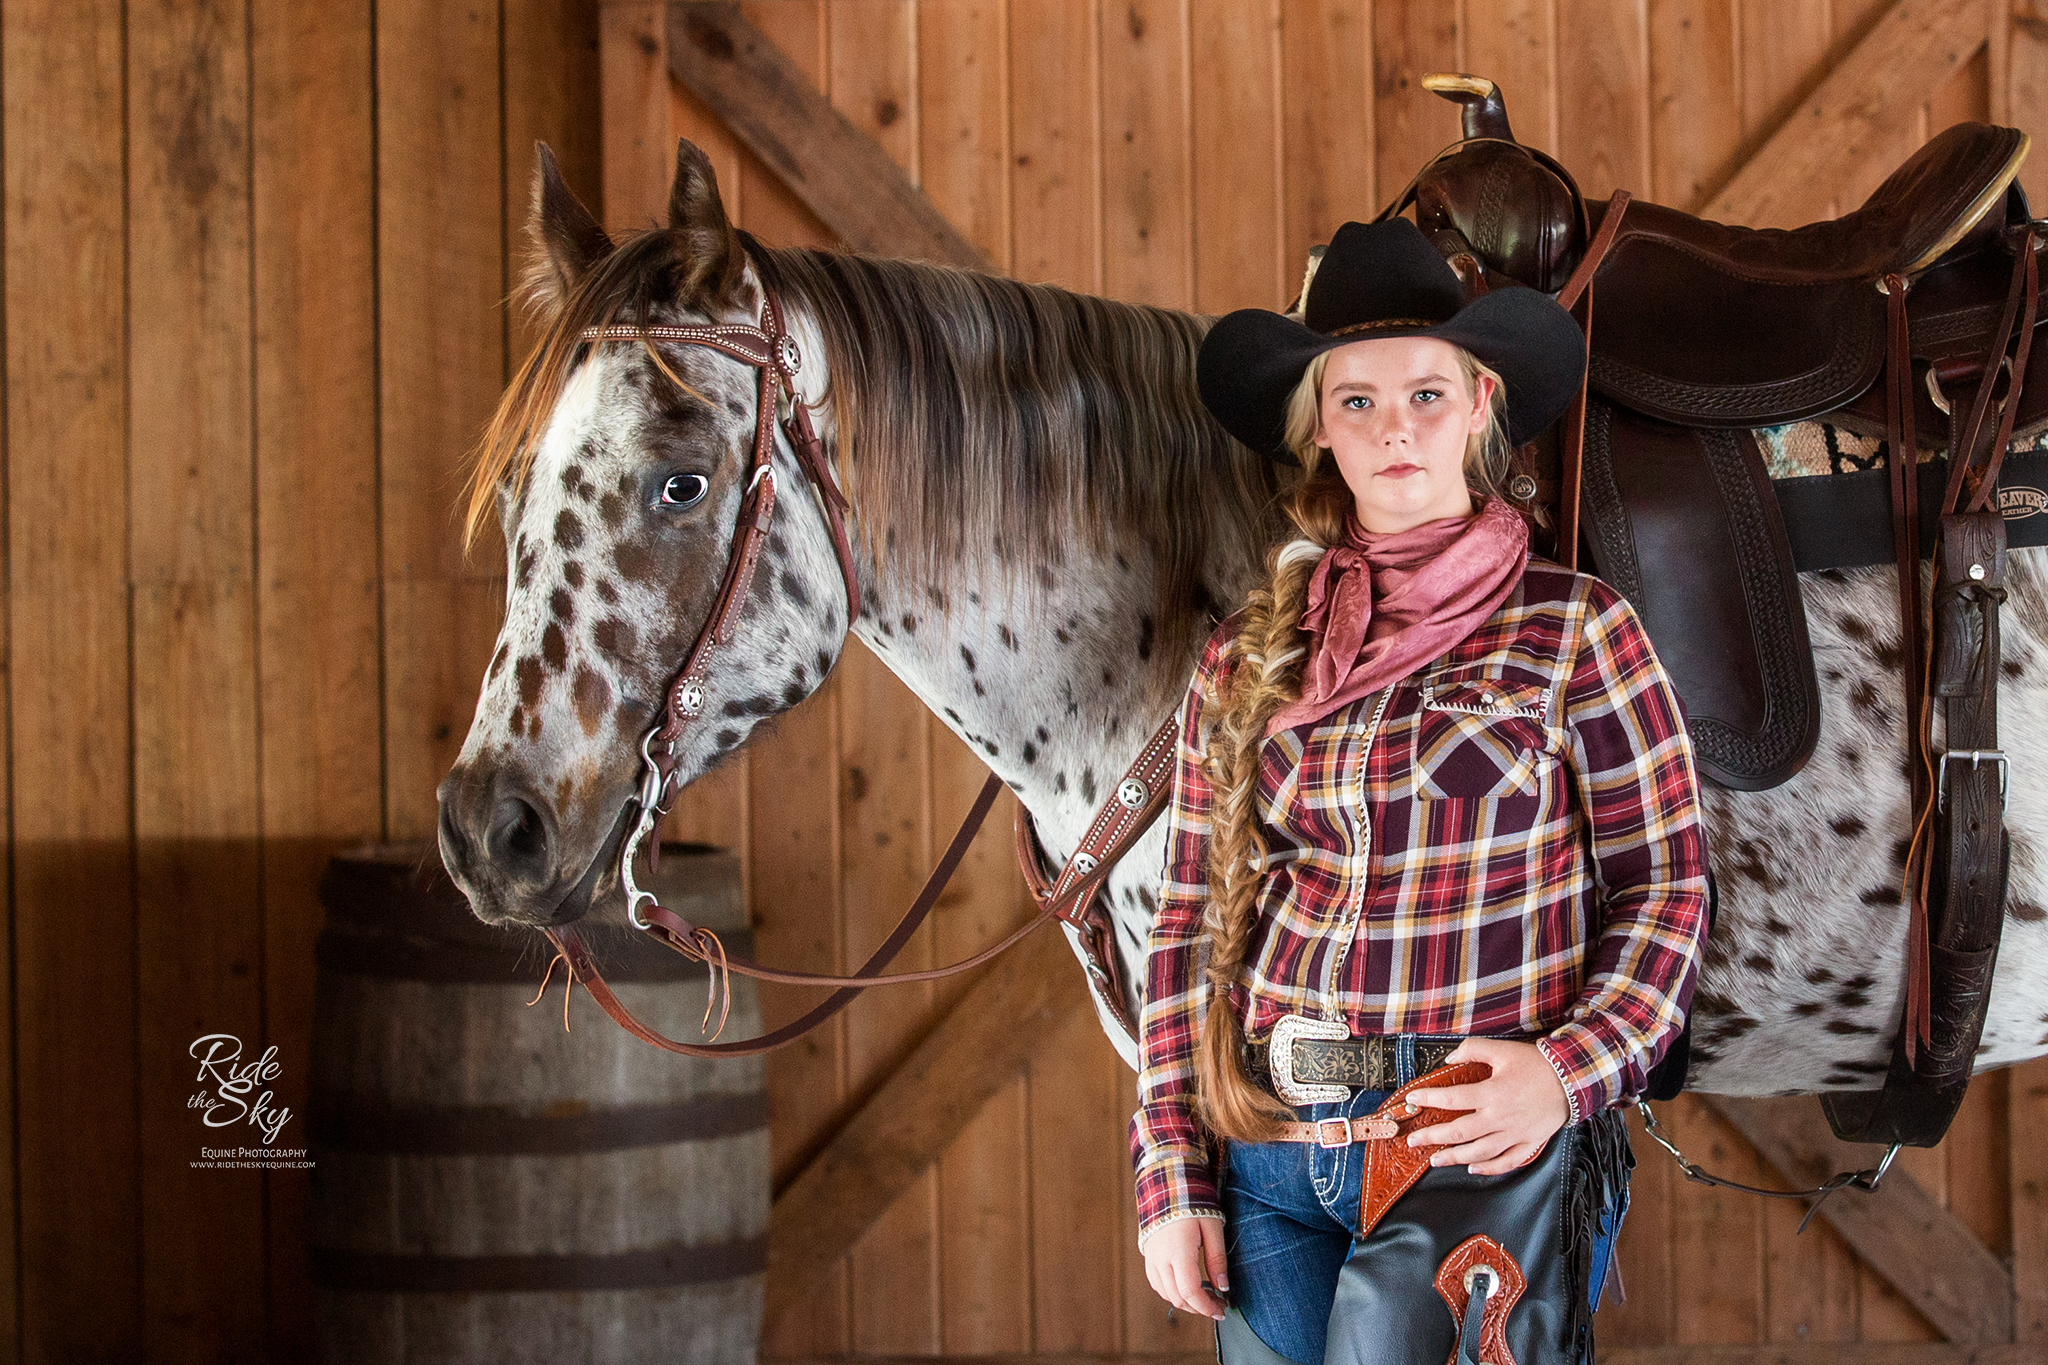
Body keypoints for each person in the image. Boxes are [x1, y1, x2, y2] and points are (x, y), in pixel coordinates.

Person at [1132, 218, 1709, 1365]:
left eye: (1425, 393)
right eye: (1354, 402)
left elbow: (1667, 886)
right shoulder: (1249, 656)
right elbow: (1186, 921)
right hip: (1270, 1140)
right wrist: (1170, 1170)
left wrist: (1566, 1070)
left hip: (1474, 1135)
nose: (1392, 424)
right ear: (1319, 438)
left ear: (1480, 408)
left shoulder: (1573, 631)